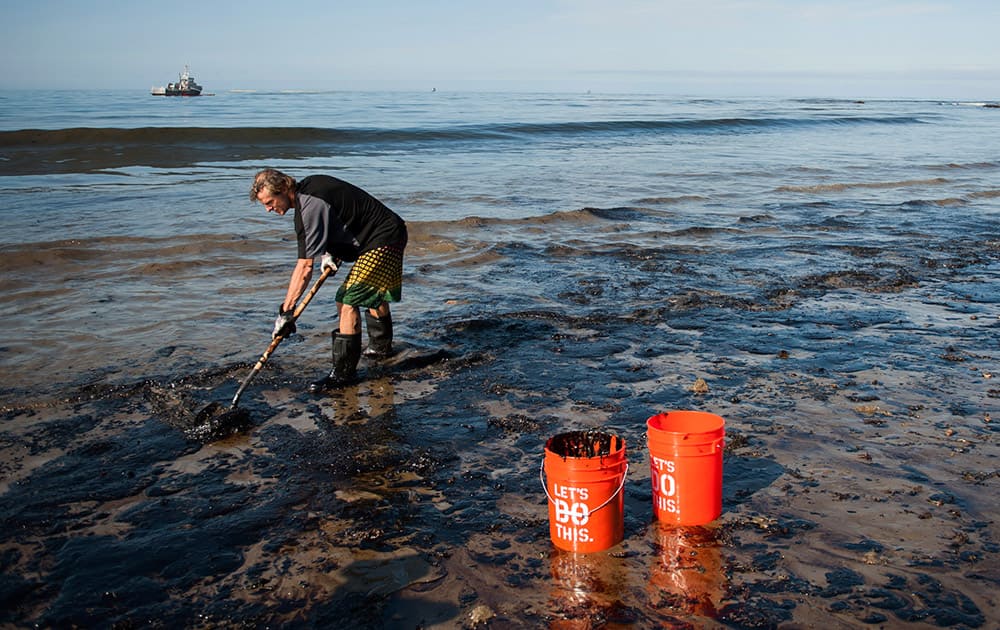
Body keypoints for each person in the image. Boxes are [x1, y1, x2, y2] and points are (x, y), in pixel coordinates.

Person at [249, 169, 407, 392]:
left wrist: (286, 311)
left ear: (284, 188)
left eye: (270, 202)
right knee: (371, 292)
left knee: (347, 299)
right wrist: (329, 253)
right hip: (385, 232)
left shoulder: (308, 205)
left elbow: (304, 267)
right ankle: (380, 351)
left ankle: (343, 375)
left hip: (383, 237)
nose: (268, 209)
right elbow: (338, 216)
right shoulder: (312, 188)